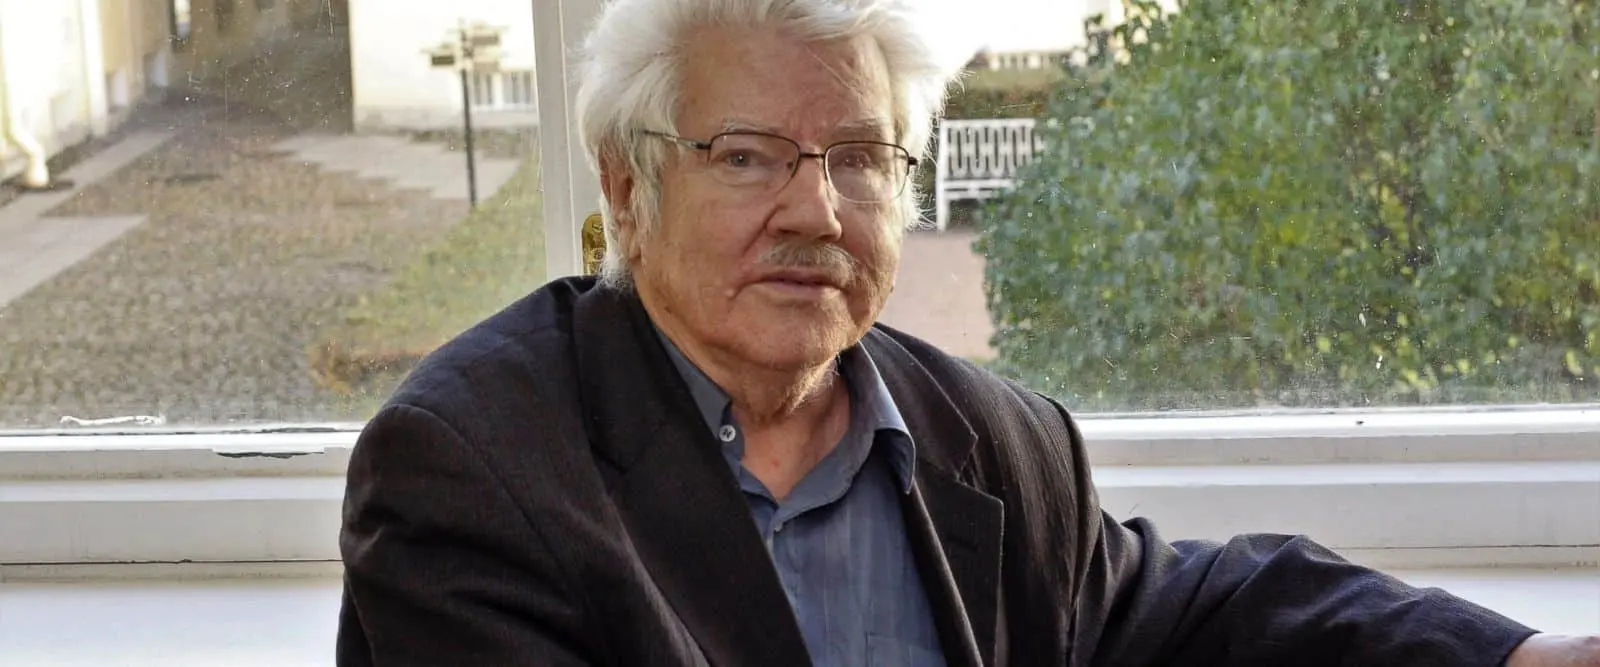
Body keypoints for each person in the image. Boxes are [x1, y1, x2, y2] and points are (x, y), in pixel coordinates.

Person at [335, 1, 1599, 665]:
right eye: (748, 156)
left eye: (859, 157)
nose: (816, 211)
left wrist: (1514, 654)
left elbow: (1183, 607)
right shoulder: (471, 469)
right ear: (627, 188)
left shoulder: (993, 439)